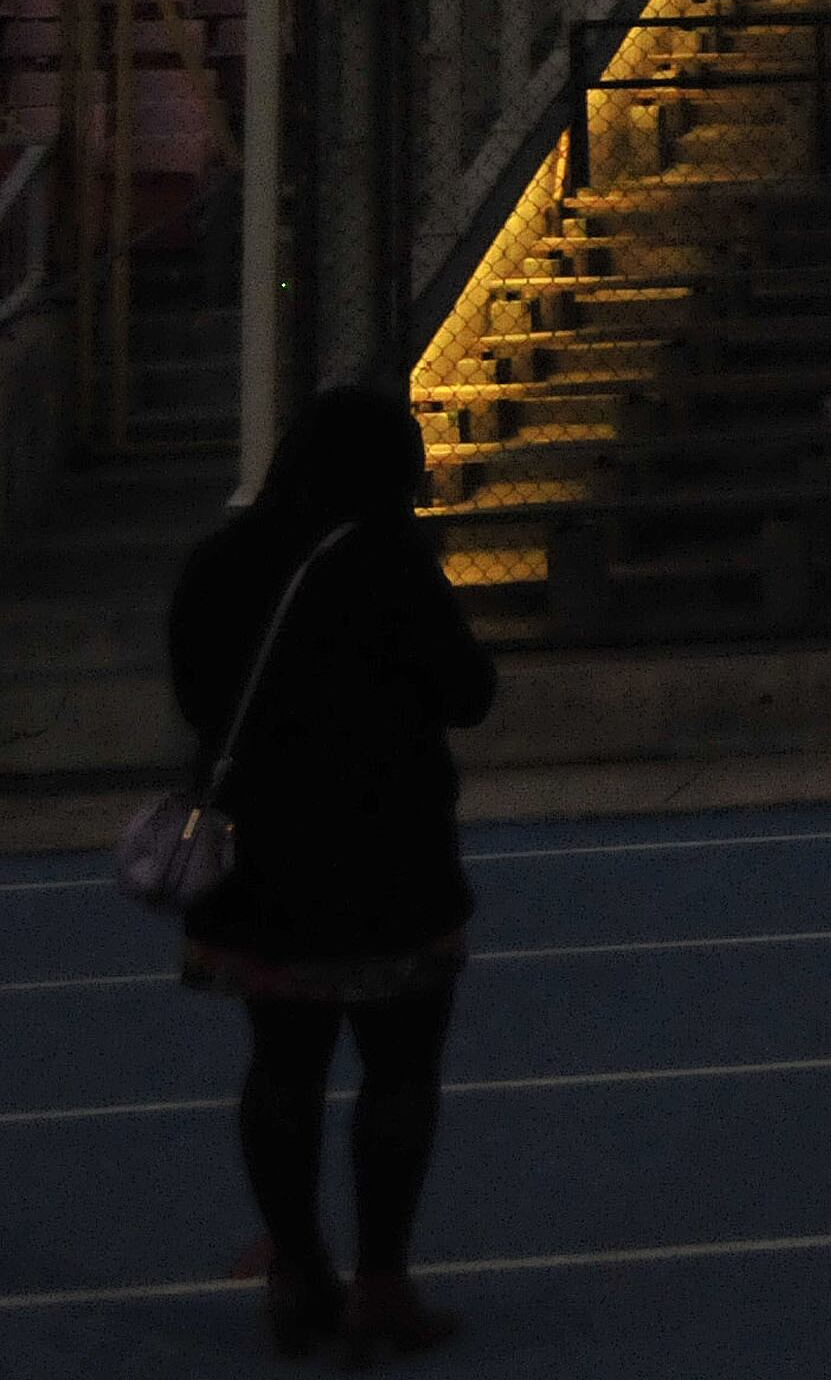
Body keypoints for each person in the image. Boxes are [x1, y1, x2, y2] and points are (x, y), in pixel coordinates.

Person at [167, 385, 497, 1363]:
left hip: (260, 857)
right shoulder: (389, 561)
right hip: (388, 854)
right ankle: (382, 1284)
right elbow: (468, 693)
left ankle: (299, 1270)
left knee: (282, 1063)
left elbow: (195, 696)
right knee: (398, 1070)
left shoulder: (221, 557)